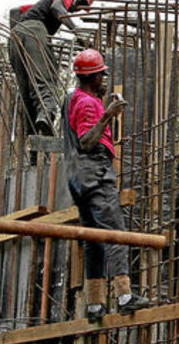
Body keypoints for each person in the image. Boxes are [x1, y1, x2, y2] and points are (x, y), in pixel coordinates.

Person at [61, 48, 149, 321]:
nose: (105, 80)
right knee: (114, 233)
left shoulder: (71, 99)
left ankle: (95, 305)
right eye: (102, 76)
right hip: (95, 172)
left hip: (76, 176)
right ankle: (124, 295)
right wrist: (107, 115)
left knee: (93, 239)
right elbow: (87, 141)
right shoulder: (88, 103)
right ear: (91, 77)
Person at [9, 0, 96, 136]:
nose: (75, 10)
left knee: (26, 90)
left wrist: (17, 32)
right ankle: (46, 115)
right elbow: (57, 7)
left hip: (15, 37)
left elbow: (15, 11)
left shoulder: (38, 7)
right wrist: (77, 32)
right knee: (45, 76)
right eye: (78, 7)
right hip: (34, 32)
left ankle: (33, 135)